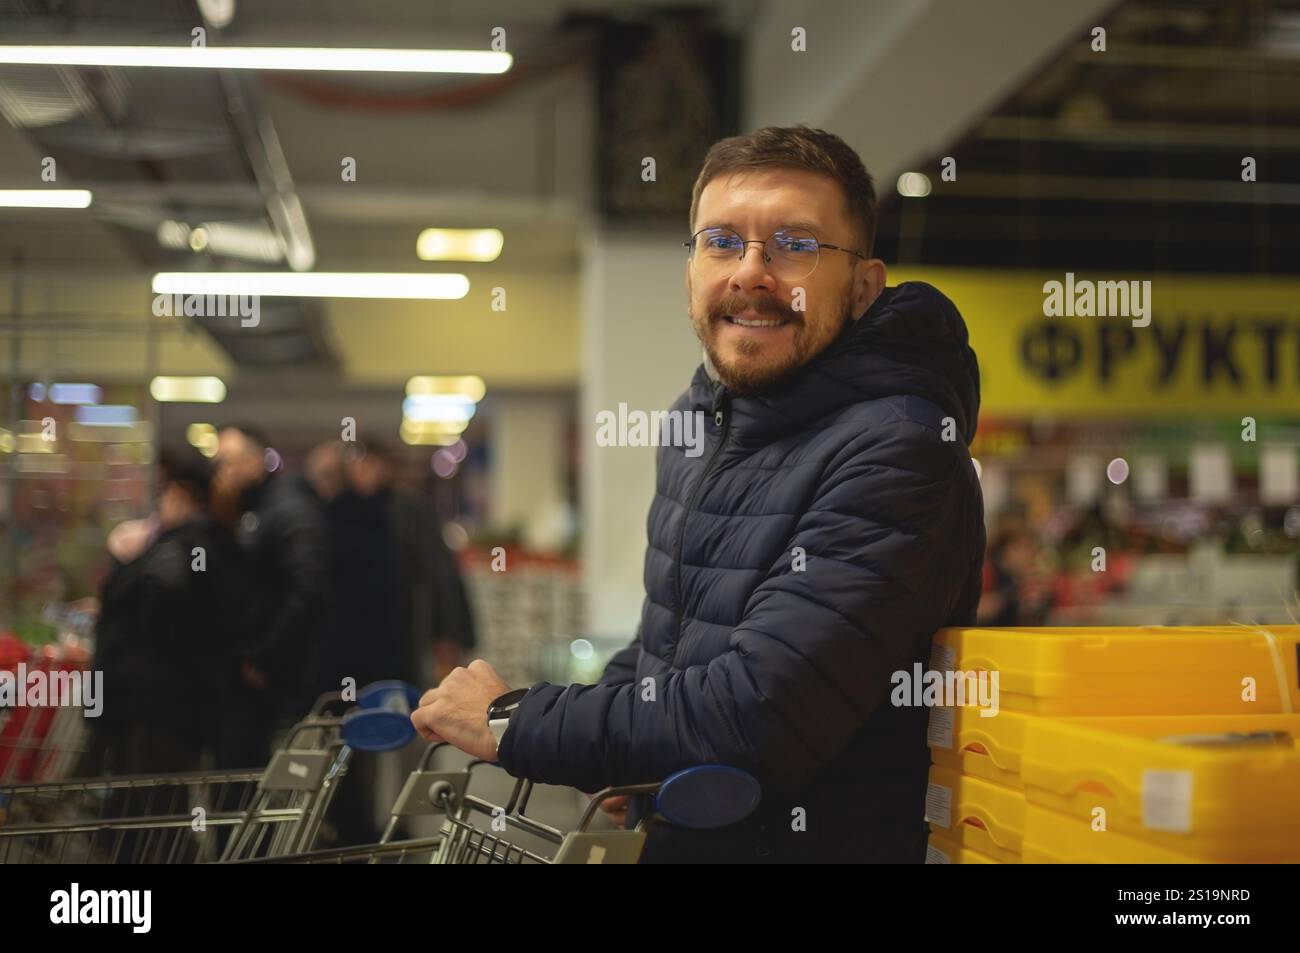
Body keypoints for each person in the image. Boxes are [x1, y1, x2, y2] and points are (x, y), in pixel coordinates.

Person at [410, 125, 986, 862]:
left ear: (865, 286)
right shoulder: (703, 419)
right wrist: (618, 748)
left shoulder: (900, 447)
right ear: (691, 273)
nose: (751, 272)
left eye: (796, 245)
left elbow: (762, 710)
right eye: (721, 242)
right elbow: (670, 646)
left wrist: (517, 721)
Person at [88, 446, 240, 774]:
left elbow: (163, 612)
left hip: (152, 701)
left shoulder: (179, 550)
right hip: (170, 700)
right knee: (157, 798)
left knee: (144, 797)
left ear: (181, 496)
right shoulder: (204, 544)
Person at [211, 424, 331, 768]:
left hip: (279, 677)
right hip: (261, 672)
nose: (221, 472)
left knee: (264, 779)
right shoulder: (255, 511)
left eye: (229, 461)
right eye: (218, 463)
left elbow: (307, 590)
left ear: (255, 461)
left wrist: (264, 654)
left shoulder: (289, 512)